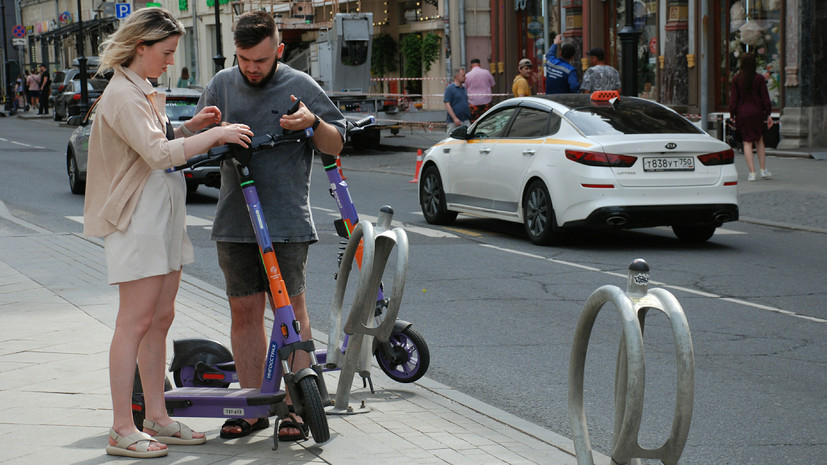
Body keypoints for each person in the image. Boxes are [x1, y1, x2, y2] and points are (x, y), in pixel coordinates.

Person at [83, 7, 253, 458]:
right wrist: (216, 134)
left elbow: (150, 144)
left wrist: (189, 127)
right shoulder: (123, 94)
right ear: (141, 47)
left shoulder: (140, 91)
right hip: (138, 218)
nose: (169, 62)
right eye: (166, 52)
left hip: (159, 215)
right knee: (135, 322)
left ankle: (156, 416)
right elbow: (158, 155)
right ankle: (123, 427)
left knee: (159, 319)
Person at [195, 11, 346, 441]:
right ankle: (253, 405)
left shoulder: (299, 86)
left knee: (292, 314)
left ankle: (299, 409)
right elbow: (196, 138)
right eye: (244, 59)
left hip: (286, 222)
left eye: (260, 59)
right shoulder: (222, 84)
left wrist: (312, 123)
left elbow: (337, 144)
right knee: (244, 313)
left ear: (278, 50)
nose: (252, 68)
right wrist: (214, 133)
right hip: (235, 221)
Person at [729, 52, 773, 181]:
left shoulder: (737, 79)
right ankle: (763, 170)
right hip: (757, 112)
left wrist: (732, 115)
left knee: (747, 142)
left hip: (743, 113)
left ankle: (752, 173)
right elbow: (765, 98)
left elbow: (733, 100)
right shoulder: (759, 78)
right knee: (759, 140)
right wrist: (768, 114)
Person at [464, 58, 495, 122]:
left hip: (473, 103)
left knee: (474, 122)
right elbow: (493, 84)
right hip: (486, 101)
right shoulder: (486, 73)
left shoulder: (467, 75)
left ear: (471, 66)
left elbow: (464, 88)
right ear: (480, 65)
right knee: (487, 121)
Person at [444, 66, 471, 132]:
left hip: (465, 119)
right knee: (451, 140)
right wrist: (455, 118)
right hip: (454, 121)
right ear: (457, 76)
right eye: (463, 75)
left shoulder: (463, 88)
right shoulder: (450, 88)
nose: (465, 77)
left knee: (469, 136)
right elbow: (447, 104)